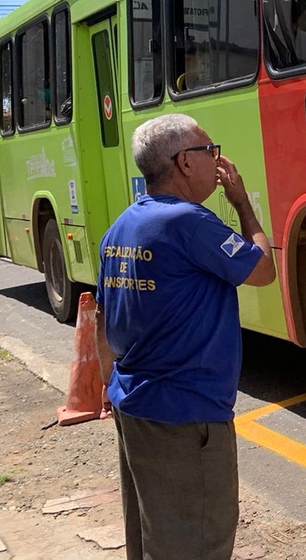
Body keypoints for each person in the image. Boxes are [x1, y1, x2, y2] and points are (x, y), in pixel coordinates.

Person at [94, 113, 275, 560]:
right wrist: (241, 203)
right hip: (185, 417)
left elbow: (103, 321)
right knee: (198, 544)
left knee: (154, 537)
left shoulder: (122, 227)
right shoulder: (188, 222)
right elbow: (263, 268)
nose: (217, 160)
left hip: (132, 403)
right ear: (183, 162)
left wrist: (107, 387)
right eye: (208, 150)